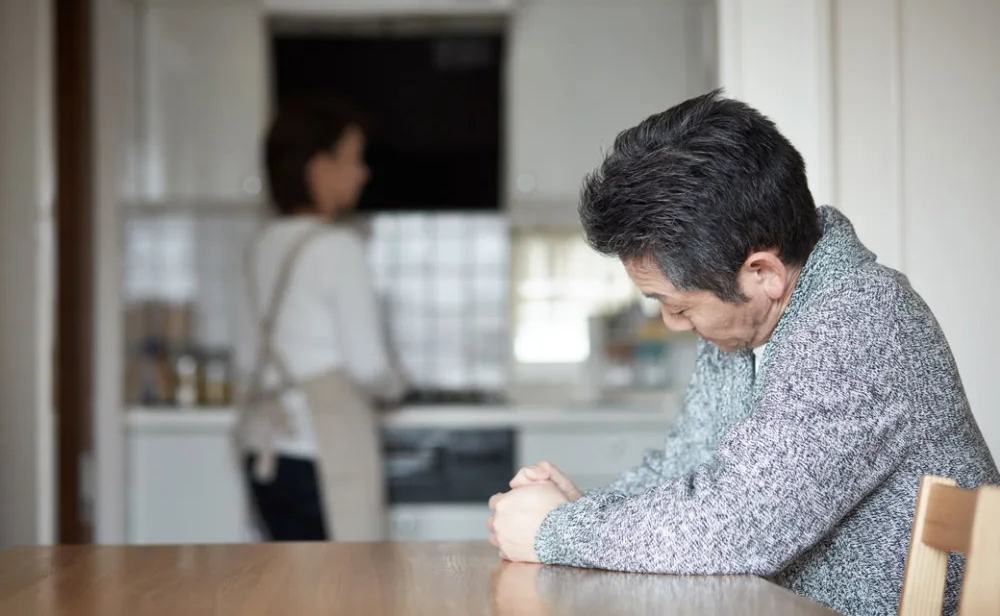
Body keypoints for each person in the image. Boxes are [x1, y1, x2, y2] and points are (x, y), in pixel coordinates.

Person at [486, 90, 999, 616]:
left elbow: (736, 524)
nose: (671, 323)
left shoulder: (860, 319)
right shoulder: (749, 329)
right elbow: (683, 475)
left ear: (763, 274)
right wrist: (580, 509)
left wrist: (554, 529)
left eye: (678, 306)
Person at [234, 99, 405, 542]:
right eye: (353, 159)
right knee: (341, 592)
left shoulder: (261, 245)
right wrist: (396, 387)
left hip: (264, 449)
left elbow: (247, 353)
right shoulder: (337, 248)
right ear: (318, 168)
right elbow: (367, 366)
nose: (362, 173)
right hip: (322, 451)